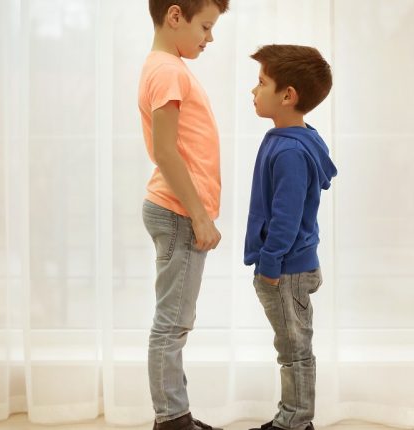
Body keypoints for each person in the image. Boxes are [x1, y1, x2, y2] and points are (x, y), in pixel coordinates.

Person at [137, 1, 229, 429]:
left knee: (175, 320)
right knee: (172, 323)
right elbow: (166, 151)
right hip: (177, 213)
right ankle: (172, 420)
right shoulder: (169, 71)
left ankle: (177, 415)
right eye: (205, 27)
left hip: (177, 211)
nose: (209, 38)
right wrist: (199, 215)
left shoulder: (164, 67)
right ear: (175, 16)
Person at [244, 44, 337, 430]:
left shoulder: (290, 152)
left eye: (261, 82)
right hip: (291, 266)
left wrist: (269, 265)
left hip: (285, 270)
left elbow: (286, 216)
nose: (253, 90)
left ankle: (295, 422)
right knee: (292, 347)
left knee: (293, 350)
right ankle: (292, 417)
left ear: (288, 95)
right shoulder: (297, 138)